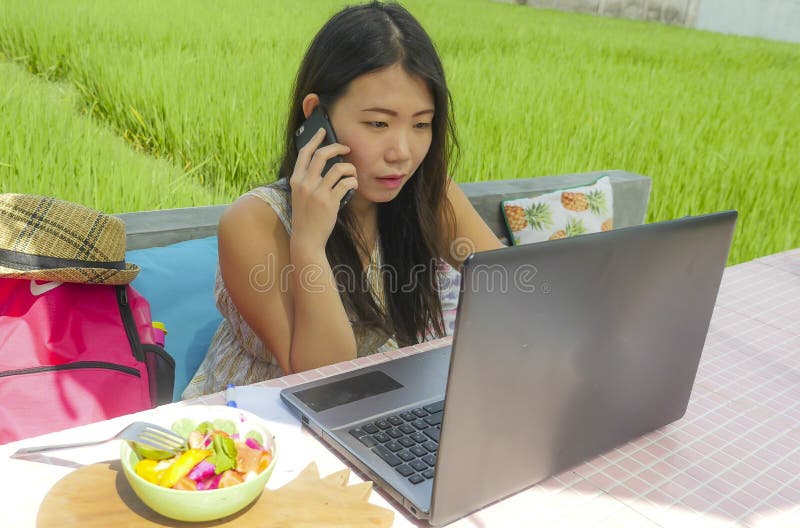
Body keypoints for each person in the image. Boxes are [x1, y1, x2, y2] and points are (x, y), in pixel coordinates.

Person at [183, 1, 503, 399]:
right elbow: (323, 376)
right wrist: (309, 242)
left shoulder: (425, 197)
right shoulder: (254, 223)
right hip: (254, 432)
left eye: (422, 124)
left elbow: (510, 285)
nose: (402, 151)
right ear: (317, 116)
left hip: (364, 414)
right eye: (378, 124)